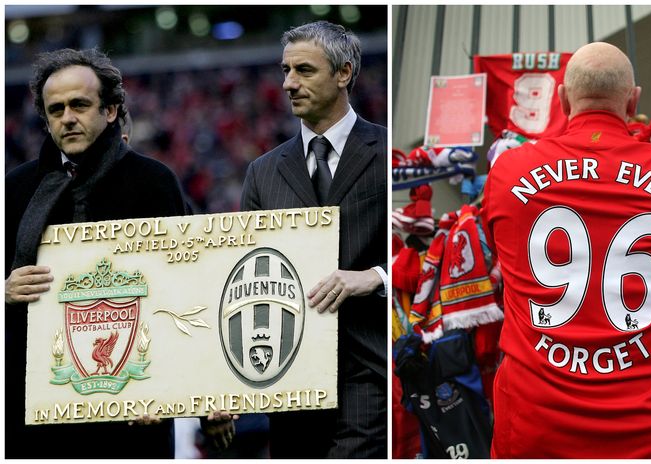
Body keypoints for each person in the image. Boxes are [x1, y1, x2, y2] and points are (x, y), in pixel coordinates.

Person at [481, 42, 651, 458]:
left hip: (535, 429)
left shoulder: (507, 172)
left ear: (562, 97)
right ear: (634, 100)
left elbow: (500, 247)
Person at [4, 48, 230, 457]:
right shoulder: (15, 190)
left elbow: (193, 291)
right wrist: (4, 290)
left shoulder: (154, 181)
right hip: (33, 425)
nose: (67, 117)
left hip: (134, 418)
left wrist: (202, 402)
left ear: (110, 111)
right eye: (55, 109)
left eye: (79, 105)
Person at [241, 21, 387, 458]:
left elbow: (419, 252)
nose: (288, 83)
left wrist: (377, 276)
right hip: (290, 376)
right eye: (286, 70)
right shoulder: (263, 172)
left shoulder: (388, 151)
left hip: (368, 367)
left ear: (343, 73)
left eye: (303, 70)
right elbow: (246, 269)